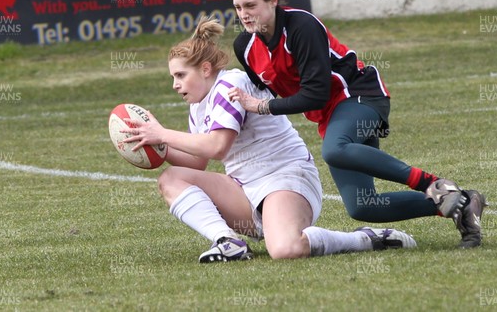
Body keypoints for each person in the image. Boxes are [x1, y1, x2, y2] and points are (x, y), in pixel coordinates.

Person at [226, 0, 487, 249]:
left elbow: (314, 94)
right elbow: (259, 87)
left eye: (249, 5)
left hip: (359, 95)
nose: (243, 14)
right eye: (238, 7)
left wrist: (263, 106)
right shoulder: (245, 46)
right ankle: (460, 204)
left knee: (334, 149)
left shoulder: (301, 26)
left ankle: (432, 183)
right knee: (364, 207)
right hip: (331, 116)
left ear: (273, 0)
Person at [121, 17, 416, 262]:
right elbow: (198, 161)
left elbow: (217, 146)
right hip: (245, 189)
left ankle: (365, 239)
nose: (175, 85)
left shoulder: (229, 85)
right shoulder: (198, 103)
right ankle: (227, 242)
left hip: (286, 179)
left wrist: (161, 134)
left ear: (206, 69)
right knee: (171, 178)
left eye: (180, 75)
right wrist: (159, 148)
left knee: (287, 250)